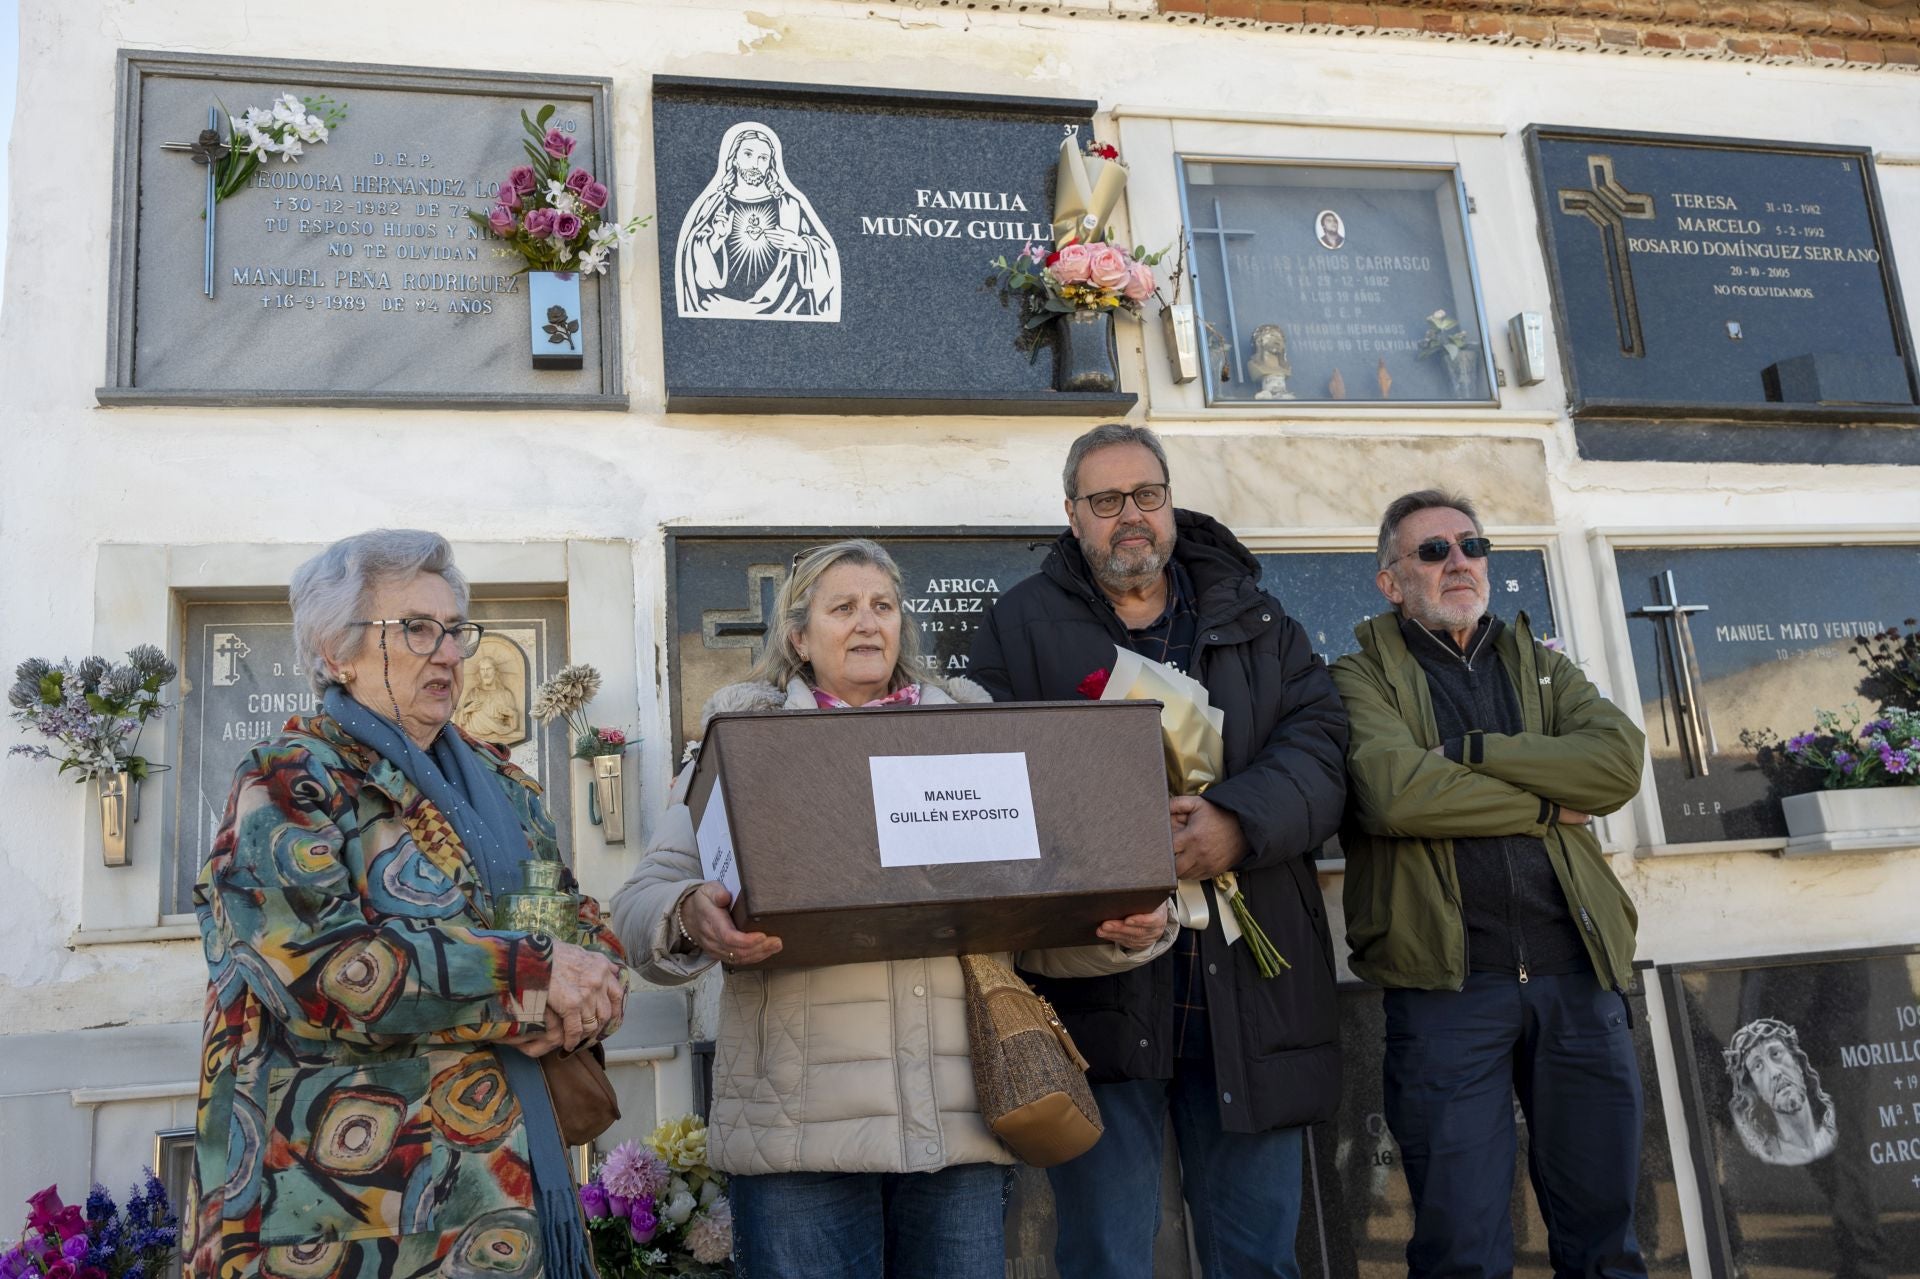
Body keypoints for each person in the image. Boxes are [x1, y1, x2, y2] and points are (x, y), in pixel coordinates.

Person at [612, 539, 1174, 1279]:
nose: (868, 622)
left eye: (883, 605)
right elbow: (641, 901)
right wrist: (689, 914)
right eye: (842, 607)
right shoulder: (741, 748)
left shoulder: (974, 738)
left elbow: (1029, 924)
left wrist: (1127, 929)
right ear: (798, 637)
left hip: (957, 1130)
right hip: (796, 1140)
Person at [187, 529, 629, 1279]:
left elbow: (577, 928)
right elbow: (324, 973)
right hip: (345, 1210)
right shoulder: (289, 781)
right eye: (417, 629)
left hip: (502, 1191)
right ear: (337, 650)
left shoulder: (506, 786)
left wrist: (595, 983)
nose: (450, 653)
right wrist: (532, 979)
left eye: (455, 629)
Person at [968, 424, 1350, 1279]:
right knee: (1106, 1256)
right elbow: (989, 780)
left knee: (1257, 1257)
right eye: (1106, 501)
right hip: (1101, 996)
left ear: (1170, 502)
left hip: (1252, 1002)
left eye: (1147, 495)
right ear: (1072, 515)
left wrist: (1235, 824)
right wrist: (1107, 853)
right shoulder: (1021, 625)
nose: (1130, 517)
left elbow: (1322, 746)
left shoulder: (1257, 617)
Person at [1331, 490, 1650, 1279]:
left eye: (1471, 545)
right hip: (1449, 995)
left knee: (1606, 1237)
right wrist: (1548, 801)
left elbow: (1616, 763)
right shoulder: (1357, 676)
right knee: (1461, 1249)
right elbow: (1397, 795)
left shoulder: (1539, 665)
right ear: (1390, 580)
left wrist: (1468, 749)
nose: (1459, 562)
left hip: (1578, 980)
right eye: (1432, 551)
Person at [674, 121, 840, 320]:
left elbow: (827, 253)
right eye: (748, 154)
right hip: (718, 305)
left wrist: (800, 245)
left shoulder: (790, 206)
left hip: (785, 303)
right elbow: (693, 260)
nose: (755, 164)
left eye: (763, 158)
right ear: (734, 159)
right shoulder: (714, 205)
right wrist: (715, 239)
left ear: (771, 164)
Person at [1725, 1017, 1838, 1166]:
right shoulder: (1769, 1156)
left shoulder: (1832, 1131)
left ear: (1797, 1062)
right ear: (1756, 1090)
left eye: (1776, 1054)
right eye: (1758, 1066)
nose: (1774, 1073)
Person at [455, 650, 525, 745]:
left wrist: (510, 713)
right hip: (473, 734)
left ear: (495, 671)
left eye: (488, 669)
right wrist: (467, 710)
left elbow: (514, 723)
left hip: (501, 732)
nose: (485, 673)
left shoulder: (505, 694)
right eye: (482, 670)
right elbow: (459, 720)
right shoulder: (474, 693)